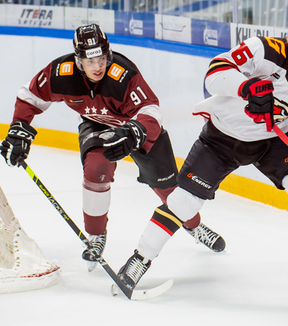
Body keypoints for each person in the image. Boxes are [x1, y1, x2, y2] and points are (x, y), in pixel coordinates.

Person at [116, 11, 288, 291]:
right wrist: (246, 87)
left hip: (271, 141)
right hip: (221, 138)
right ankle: (140, 258)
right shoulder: (262, 50)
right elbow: (215, 73)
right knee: (184, 202)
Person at [0, 24, 225, 272]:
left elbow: (150, 108)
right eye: (90, 60)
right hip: (99, 127)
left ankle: (194, 226)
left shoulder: (123, 73)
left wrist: (136, 131)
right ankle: (96, 236)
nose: (98, 66)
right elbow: (31, 95)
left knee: (170, 192)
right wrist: (18, 127)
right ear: (78, 60)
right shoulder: (60, 73)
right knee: (96, 169)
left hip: (137, 130)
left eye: (102, 58)